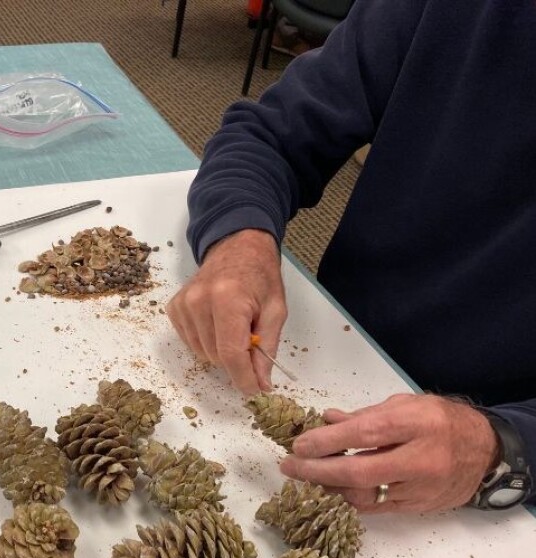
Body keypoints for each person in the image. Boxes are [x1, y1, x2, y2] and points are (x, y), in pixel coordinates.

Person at [167, 0, 536, 513]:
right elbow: (269, 136)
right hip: (340, 350)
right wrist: (239, 241)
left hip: (504, 461)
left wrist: (503, 447)